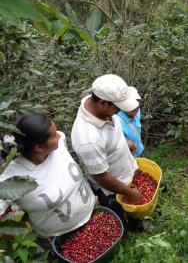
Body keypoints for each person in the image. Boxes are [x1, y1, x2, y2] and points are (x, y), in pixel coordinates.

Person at [0, 114, 96, 238]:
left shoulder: (59, 143)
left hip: (92, 212)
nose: (59, 135)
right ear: (39, 147)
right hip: (58, 235)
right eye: (54, 134)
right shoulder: (10, 180)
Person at [71, 74, 142, 225]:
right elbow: (101, 177)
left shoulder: (101, 110)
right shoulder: (88, 139)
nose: (120, 110)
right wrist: (128, 192)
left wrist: (123, 142)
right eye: (118, 107)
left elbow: (109, 134)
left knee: (133, 209)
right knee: (120, 219)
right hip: (112, 189)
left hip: (126, 174)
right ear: (103, 103)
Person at [117, 86, 144, 158]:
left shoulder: (137, 112)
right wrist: (125, 141)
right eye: (131, 105)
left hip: (139, 152)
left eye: (137, 104)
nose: (136, 108)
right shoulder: (116, 120)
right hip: (127, 159)